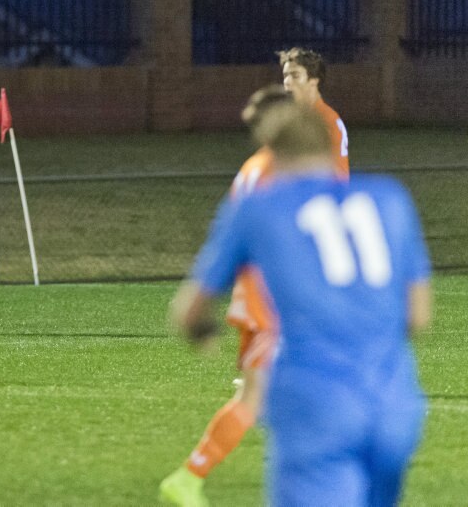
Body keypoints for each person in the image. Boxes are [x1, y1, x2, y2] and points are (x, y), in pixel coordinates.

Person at [170, 102, 432, 506]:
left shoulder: (258, 208)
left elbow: (189, 310)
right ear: (331, 147)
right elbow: (418, 315)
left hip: (315, 400)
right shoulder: (391, 199)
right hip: (395, 403)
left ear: (272, 151)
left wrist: (202, 331)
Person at [159, 85, 293, 507]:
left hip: (257, 296)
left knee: (261, 398)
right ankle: (188, 478)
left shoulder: (257, 165)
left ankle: (188, 479)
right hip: (275, 301)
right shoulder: (277, 169)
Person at [278, 47, 349, 178]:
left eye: (295, 75)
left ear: (314, 80)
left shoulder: (325, 120)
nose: (287, 82)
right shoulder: (295, 117)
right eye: (285, 75)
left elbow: (336, 175)